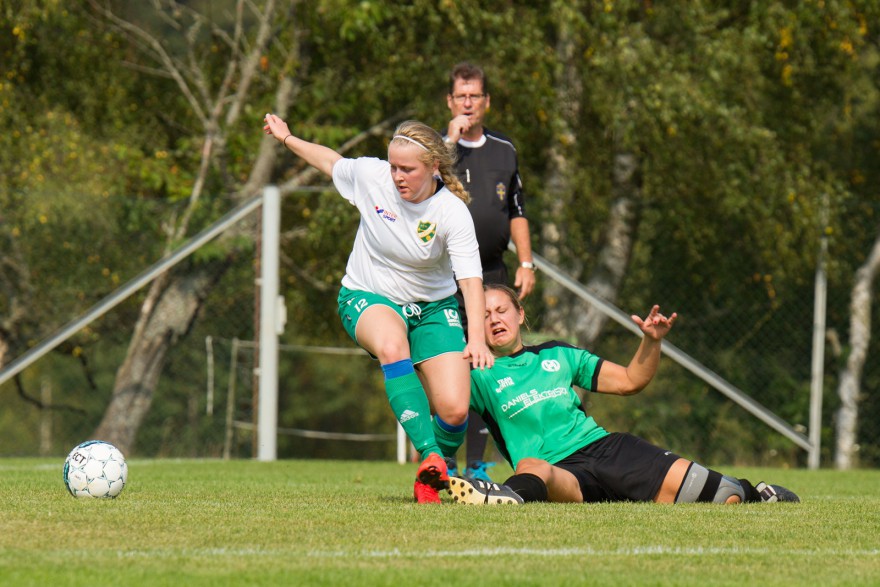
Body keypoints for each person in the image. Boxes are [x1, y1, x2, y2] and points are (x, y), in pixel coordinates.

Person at [263, 114, 494, 504]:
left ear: (433, 167)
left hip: (433, 309)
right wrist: (288, 138)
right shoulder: (373, 177)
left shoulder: (451, 212)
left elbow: (470, 281)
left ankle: (432, 473)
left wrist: (477, 340)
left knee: (455, 410)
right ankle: (432, 456)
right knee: (391, 346)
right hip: (368, 296)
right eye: (393, 166)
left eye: (408, 169)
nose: (397, 176)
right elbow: (329, 161)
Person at [447, 284, 800, 506]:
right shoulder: (475, 372)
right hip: (563, 474)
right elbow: (443, 403)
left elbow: (631, 381)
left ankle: (758, 492)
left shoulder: (558, 354)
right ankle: (503, 497)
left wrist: (651, 340)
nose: (494, 319)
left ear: (520, 313)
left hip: (608, 450)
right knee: (533, 468)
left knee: (726, 497)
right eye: (484, 313)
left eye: (502, 310)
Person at [443, 62, 536, 482]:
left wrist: (527, 262)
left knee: (489, 365)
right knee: (448, 363)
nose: (468, 103)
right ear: (450, 101)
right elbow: (424, 185)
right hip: (447, 276)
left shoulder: (504, 150)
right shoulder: (440, 148)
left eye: (474, 96)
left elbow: (517, 211)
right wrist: (448, 140)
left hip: (494, 272)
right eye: (461, 96)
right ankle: (442, 459)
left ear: (487, 101)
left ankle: (478, 462)